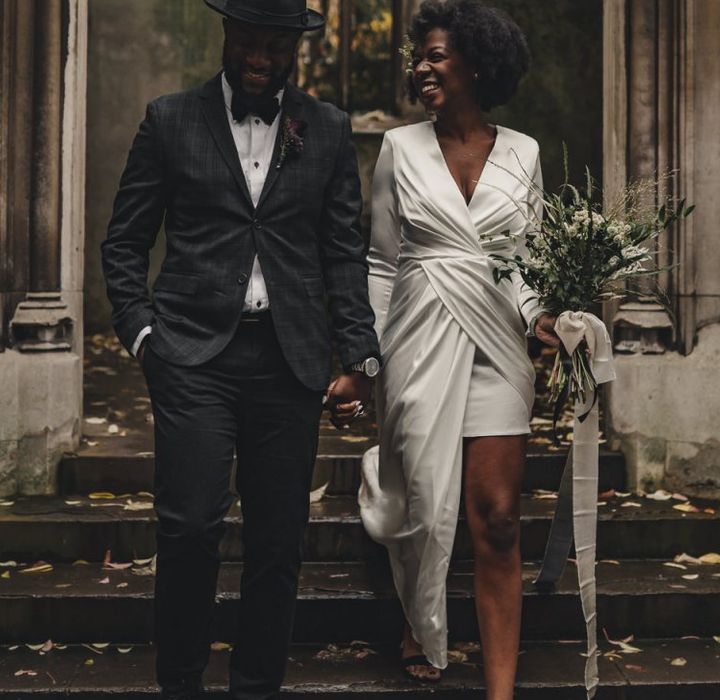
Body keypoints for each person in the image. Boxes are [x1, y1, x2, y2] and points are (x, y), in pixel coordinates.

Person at [101, 1, 380, 698]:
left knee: (278, 543)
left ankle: (257, 685)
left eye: (275, 44)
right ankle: (181, 683)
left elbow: (344, 252)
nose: (260, 56)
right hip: (192, 356)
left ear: (295, 49)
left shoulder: (327, 129)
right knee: (190, 526)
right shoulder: (169, 120)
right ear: (228, 36)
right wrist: (143, 337)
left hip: (289, 364)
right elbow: (124, 243)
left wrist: (358, 357)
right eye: (249, 40)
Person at [358, 1, 559, 696]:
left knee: (498, 518)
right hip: (416, 338)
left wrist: (542, 320)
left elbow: (528, 262)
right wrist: (370, 358)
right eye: (420, 58)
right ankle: (420, 616)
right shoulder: (399, 150)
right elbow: (383, 263)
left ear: (478, 61)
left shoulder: (525, 152)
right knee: (424, 501)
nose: (422, 68)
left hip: (497, 343)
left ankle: (500, 689)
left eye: (437, 55)